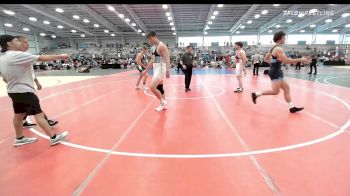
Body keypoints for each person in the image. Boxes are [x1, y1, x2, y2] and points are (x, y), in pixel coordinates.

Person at [0, 35, 69, 146]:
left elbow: (4, 79)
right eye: (16, 41)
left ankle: (19, 138)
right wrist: (61, 56)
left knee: (18, 115)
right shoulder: (17, 55)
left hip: (13, 91)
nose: (19, 42)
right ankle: (54, 137)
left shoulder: (2, 58)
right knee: (39, 114)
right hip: (24, 91)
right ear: (9, 44)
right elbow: (41, 58)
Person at [251, 31, 312, 113]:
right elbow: (286, 61)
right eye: (284, 38)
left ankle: (292, 107)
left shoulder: (273, 48)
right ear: (280, 38)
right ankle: (256, 94)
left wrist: (274, 63)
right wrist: (301, 60)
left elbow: (266, 59)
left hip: (277, 71)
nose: (285, 39)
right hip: (276, 72)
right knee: (275, 92)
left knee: (286, 89)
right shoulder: (278, 49)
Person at [10, 36, 58, 128]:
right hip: (22, 88)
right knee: (35, 108)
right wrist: (61, 56)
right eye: (24, 42)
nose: (27, 44)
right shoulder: (16, 56)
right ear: (18, 43)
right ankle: (51, 132)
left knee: (20, 110)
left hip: (21, 88)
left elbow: (30, 72)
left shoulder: (25, 55)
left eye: (28, 42)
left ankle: (22, 126)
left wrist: (37, 82)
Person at [146, 31, 170, 112]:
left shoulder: (161, 46)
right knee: (160, 88)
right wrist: (146, 69)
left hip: (161, 69)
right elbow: (152, 60)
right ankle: (163, 106)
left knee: (152, 87)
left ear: (155, 37)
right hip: (156, 69)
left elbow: (167, 58)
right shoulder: (153, 48)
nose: (150, 41)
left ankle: (162, 101)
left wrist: (167, 70)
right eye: (149, 40)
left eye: (150, 39)